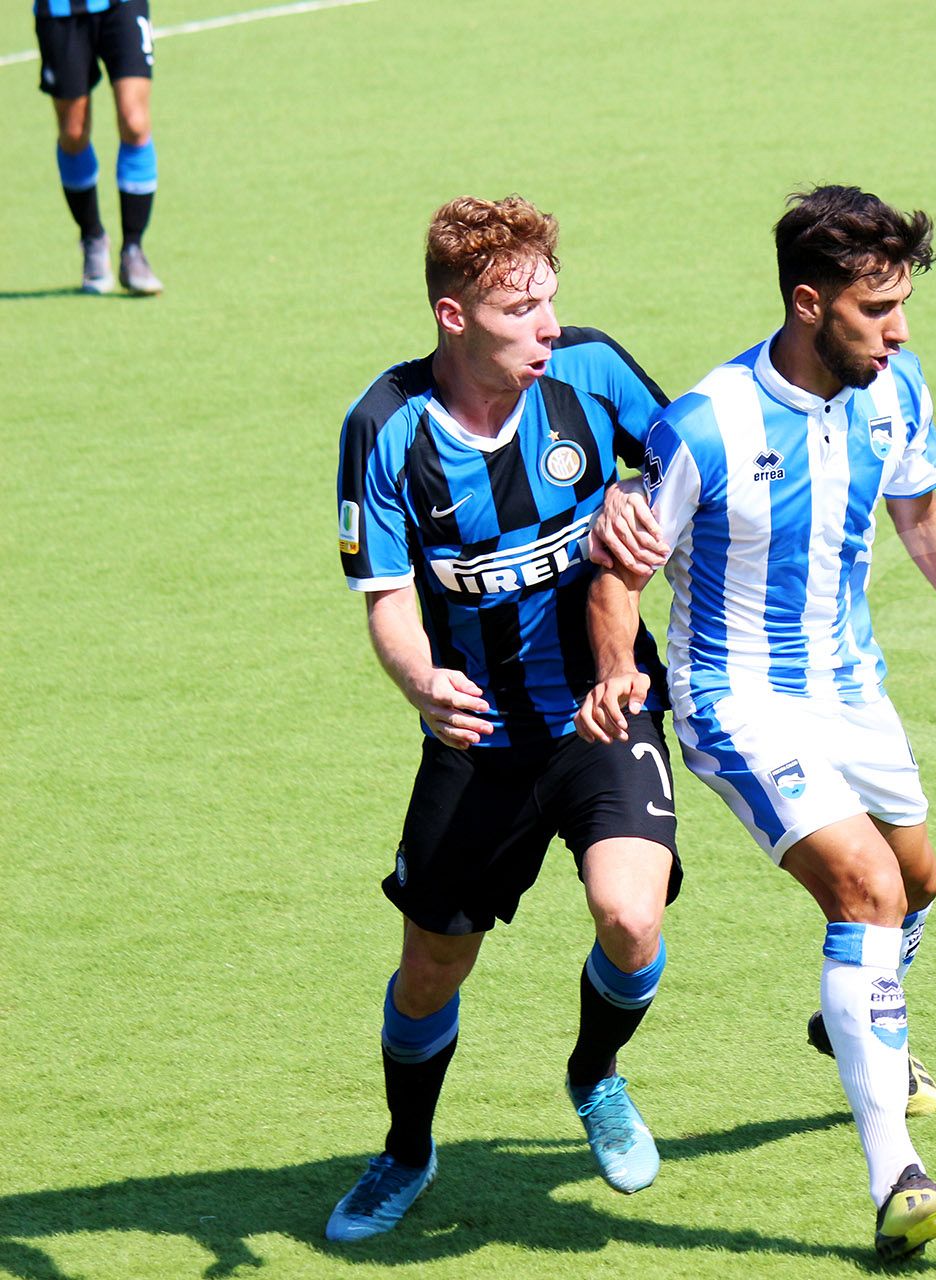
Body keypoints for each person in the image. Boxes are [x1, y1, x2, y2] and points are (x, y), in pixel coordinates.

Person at [580, 184, 936, 1261]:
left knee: (917, 884)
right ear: (808, 303)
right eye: (875, 309)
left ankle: (854, 1019)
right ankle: (897, 1180)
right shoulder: (705, 424)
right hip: (736, 697)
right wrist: (616, 670)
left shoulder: (895, 387)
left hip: (850, 686)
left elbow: (920, 514)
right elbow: (620, 573)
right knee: (868, 889)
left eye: (901, 306)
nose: (899, 331)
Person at [327, 195, 681, 1242]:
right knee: (432, 966)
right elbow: (388, 597)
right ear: (454, 315)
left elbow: (690, 465)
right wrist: (419, 682)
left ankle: (594, 1073)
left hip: (603, 711)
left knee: (631, 917)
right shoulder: (385, 426)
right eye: (520, 310)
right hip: (476, 737)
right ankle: (406, 1150)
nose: (547, 327)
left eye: (550, 301)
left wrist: (640, 495)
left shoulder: (593, 372)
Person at [34, 0, 162, 293]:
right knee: (73, 133)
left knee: (135, 123)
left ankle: (133, 250)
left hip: (122, 7)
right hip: (60, 12)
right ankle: (92, 236)